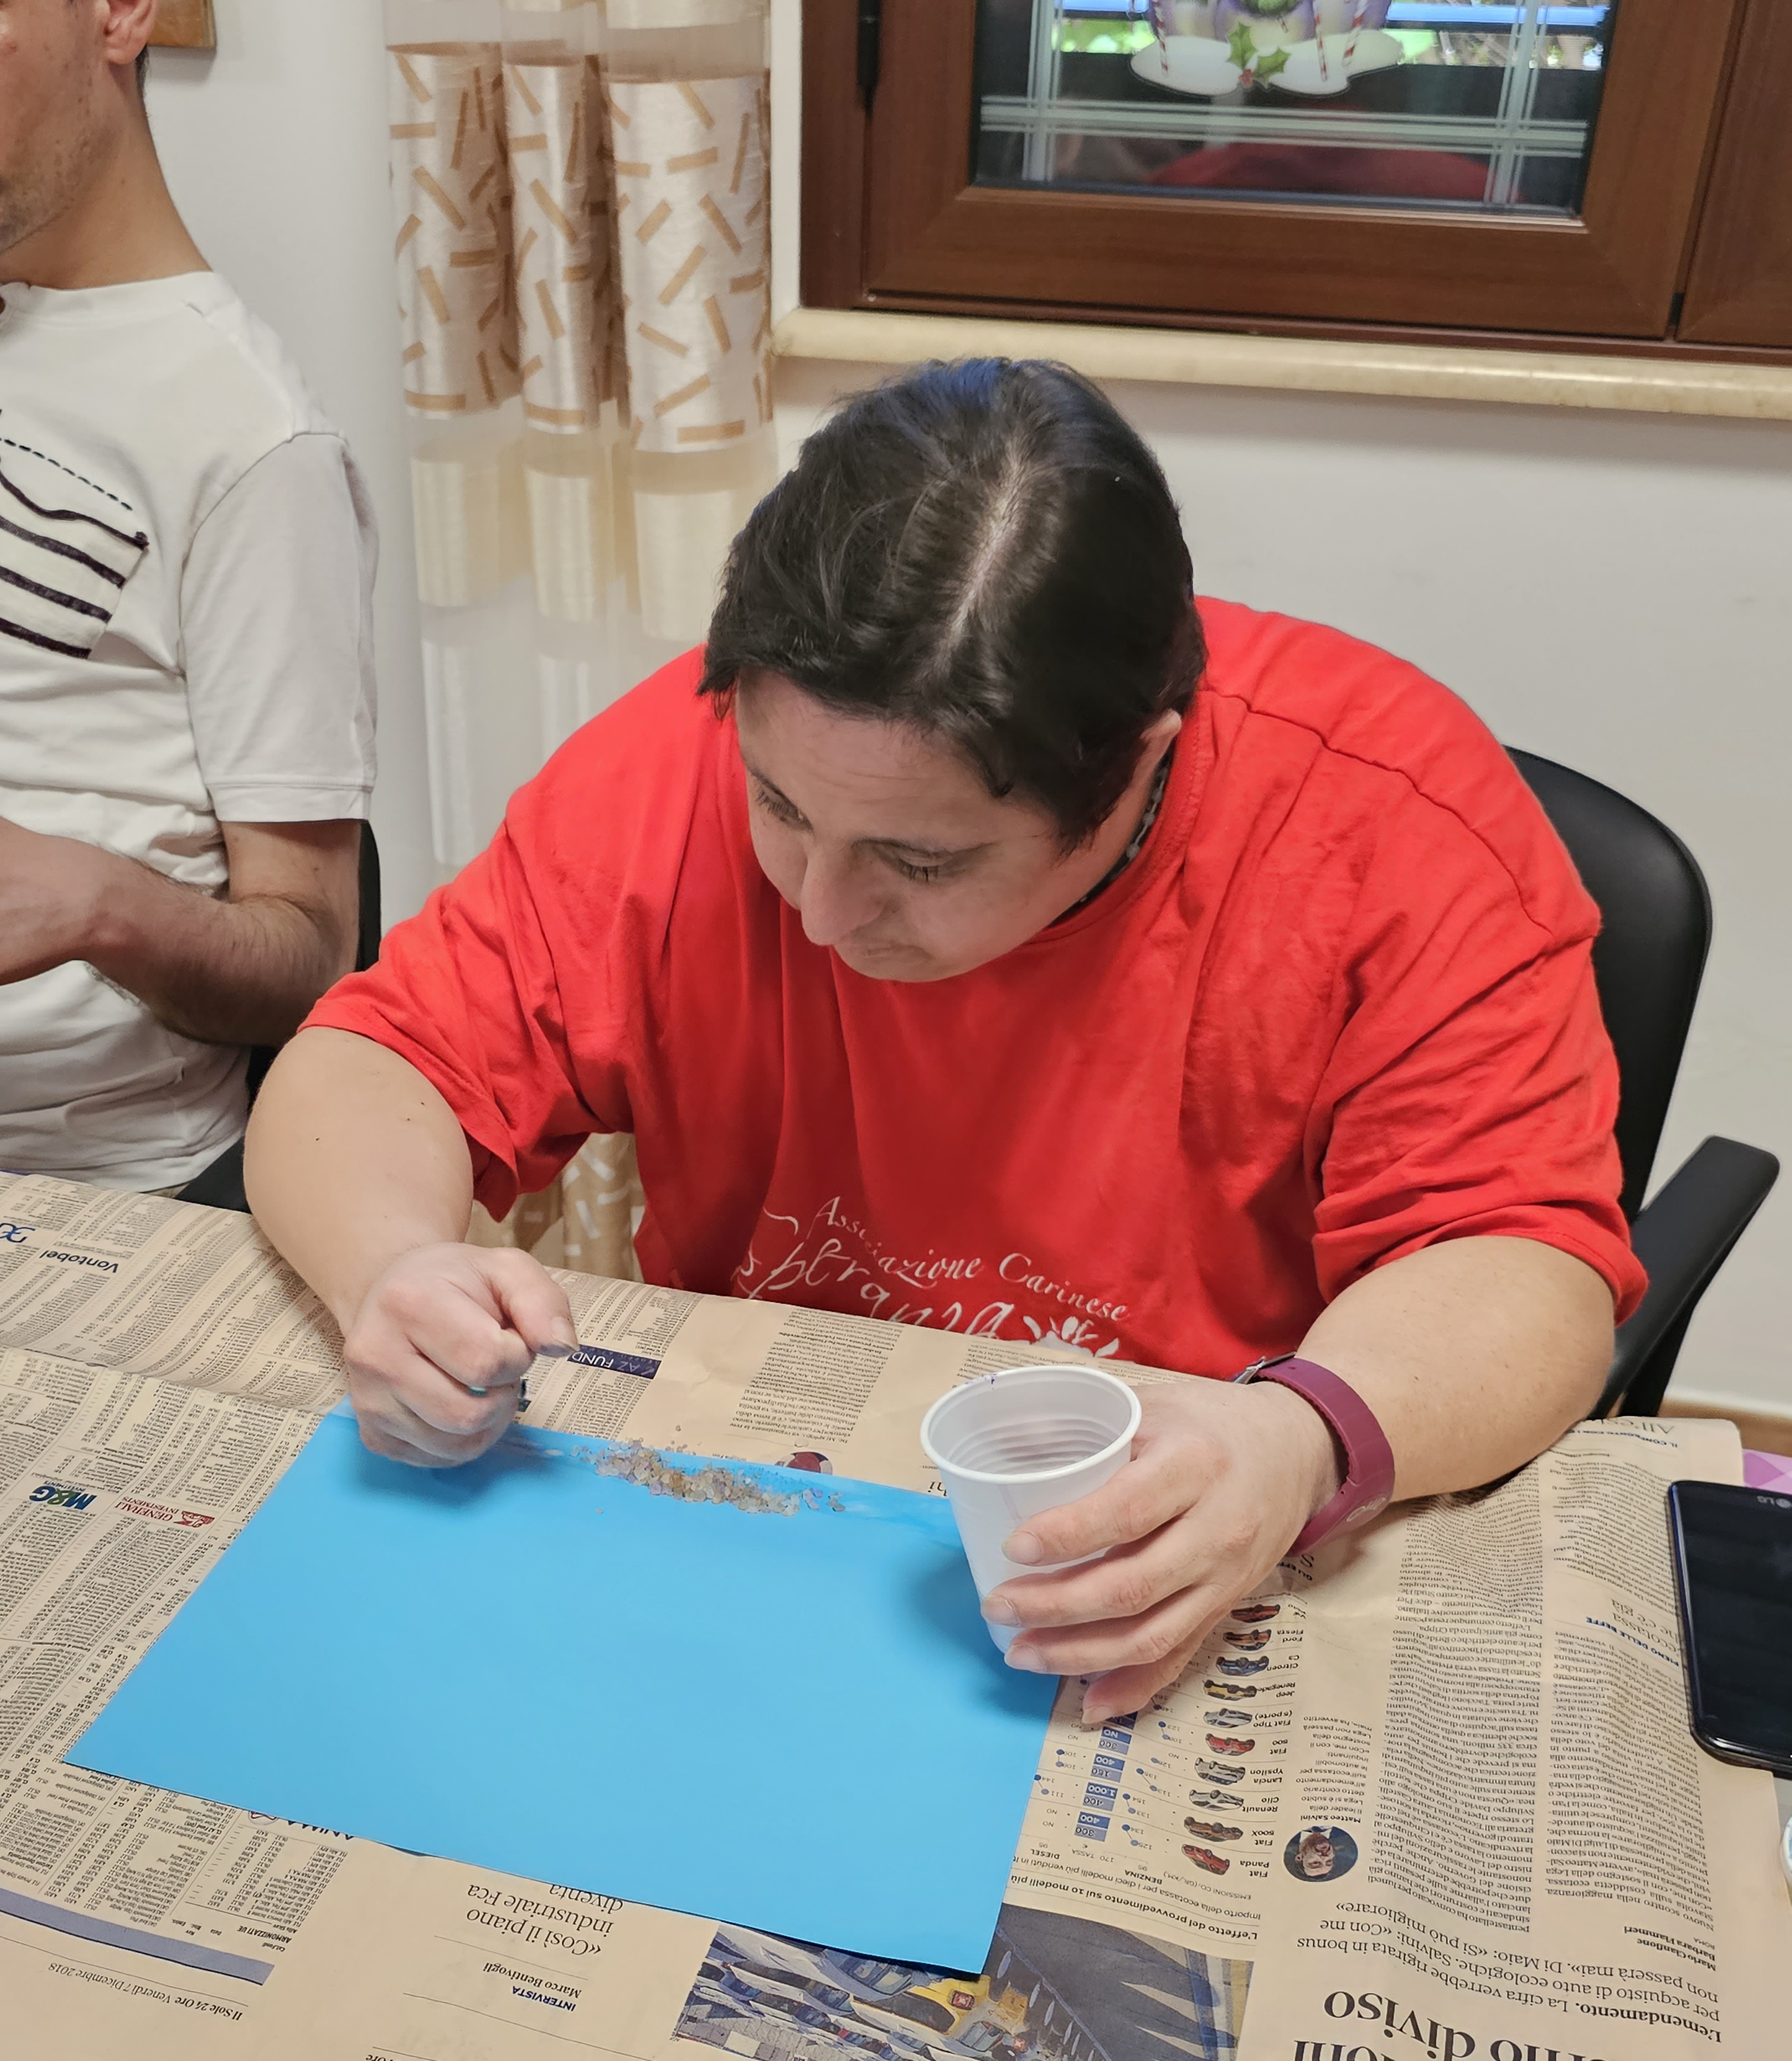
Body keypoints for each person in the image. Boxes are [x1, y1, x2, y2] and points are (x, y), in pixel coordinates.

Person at [246, 359, 1642, 1725]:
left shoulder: (1389, 827)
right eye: (779, 807)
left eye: (920, 861)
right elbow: (373, 1060)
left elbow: (1522, 1262)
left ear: (1140, 767)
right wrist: (391, 1263)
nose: (819, 909)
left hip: (1172, 1514)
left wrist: (1302, 1437)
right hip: (761, 1522)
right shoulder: (675, 762)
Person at [0, 0, 374, 1193]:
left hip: (48, 1195)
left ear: (121, 11)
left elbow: (312, 959)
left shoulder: (255, 442)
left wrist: (90, 899)